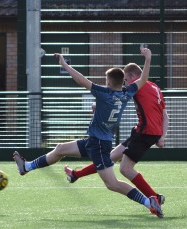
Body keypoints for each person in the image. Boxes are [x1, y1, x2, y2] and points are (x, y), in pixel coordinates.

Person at [13, 47, 163, 218]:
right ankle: (26, 167)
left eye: (105, 79)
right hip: (95, 141)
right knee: (60, 149)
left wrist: (64, 64)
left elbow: (81, 79)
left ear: (108, 82)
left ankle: (149, 202)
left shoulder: (104, 93)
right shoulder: (127, 92)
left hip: (99, 144)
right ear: (122, 82)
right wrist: (148, 59)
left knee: (112, 184)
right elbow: (143, 79)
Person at [65, 62, 169, 206]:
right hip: (144, 132)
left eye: (125, 80)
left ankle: (154, 197)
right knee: (111, 157)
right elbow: (165, 116)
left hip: (144, 133)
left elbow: (115, 95)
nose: (124, 83)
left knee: (125, 169)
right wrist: (162, 136)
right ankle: (76, 174)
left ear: (133, 76)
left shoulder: (138, 86)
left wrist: (101, 104)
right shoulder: (155, 87)